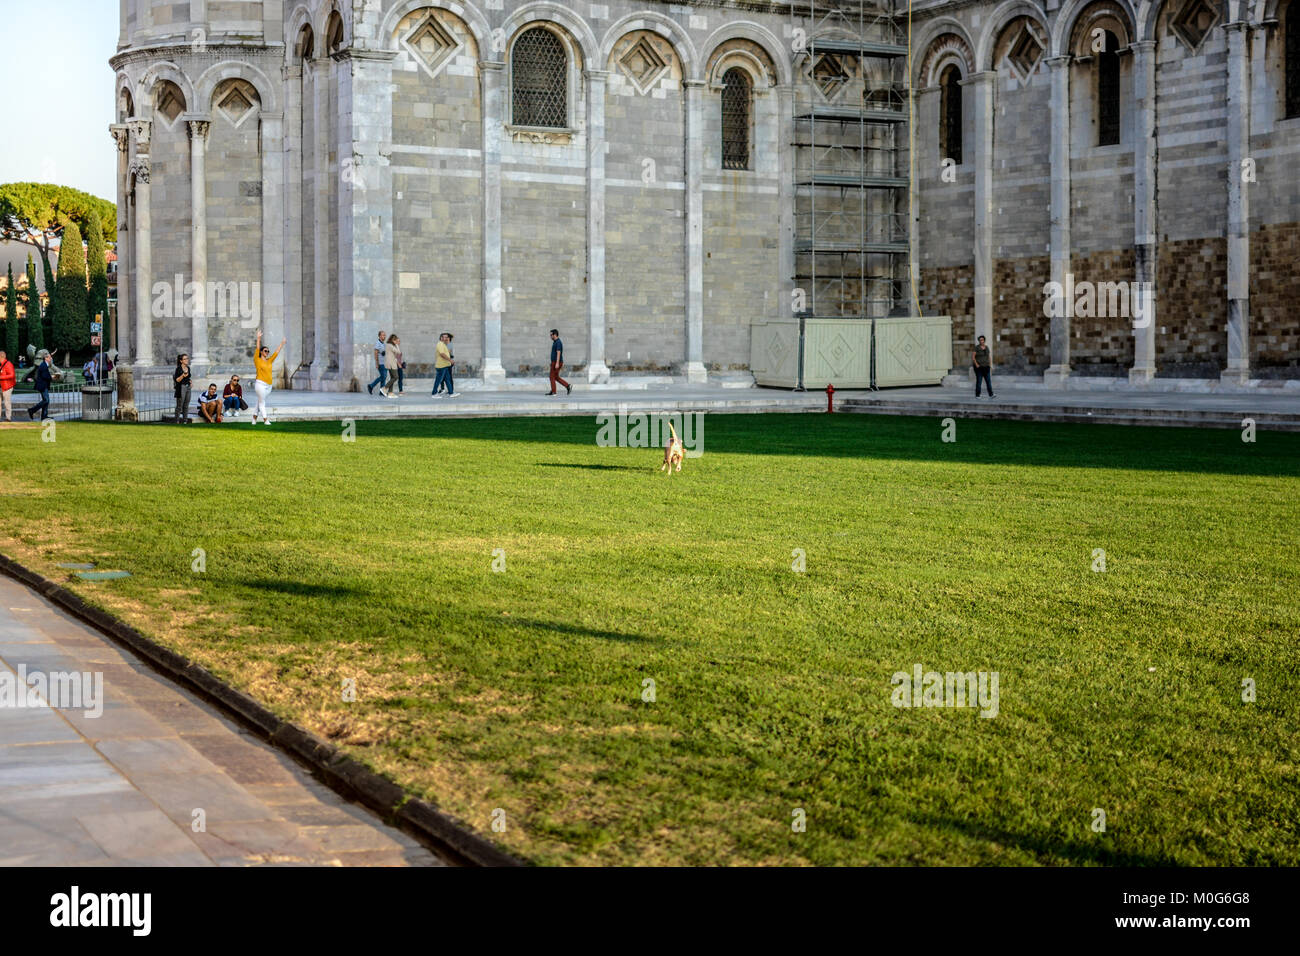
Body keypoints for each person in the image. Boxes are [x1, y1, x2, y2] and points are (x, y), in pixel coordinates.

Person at [252, 329, 285, 424]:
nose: (267, 352)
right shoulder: (257, 360)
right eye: (265, 351)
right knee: (262, 403)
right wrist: (258, 338)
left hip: (269, 386)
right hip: (260, 384)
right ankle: (265, 420)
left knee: (259, 401)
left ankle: (254, 418)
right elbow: (257, 348)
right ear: (261, 352)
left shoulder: (269, 360)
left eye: (268, 351)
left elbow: (276, 352)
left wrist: (282, 343)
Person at [26, 352, 52, 421]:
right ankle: (32, 410)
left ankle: (44, 416)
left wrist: (50, 377)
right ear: (46, 358)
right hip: (42, 385)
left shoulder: (44, 365)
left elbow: (45, 375)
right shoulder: (43, 365)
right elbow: (44, 376)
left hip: (44, 385)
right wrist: (52, 377)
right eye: (49, 357)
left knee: (46, 400)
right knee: (46, 400)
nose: (51, 358)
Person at [546, 328, 571, 396]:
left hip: (556, 362)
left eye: (551, 335)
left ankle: (554, 392)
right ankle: (567, 386)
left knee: (551, 377)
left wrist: (556, 363)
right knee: (555, 377)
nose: (550, 336)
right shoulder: (555, 342)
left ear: (555, 335)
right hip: (554, 362)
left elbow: (558, 352)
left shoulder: (558, 342)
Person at [432, 332, 456, 397]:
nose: (445, 338)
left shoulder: (443, 344)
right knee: (438, 380)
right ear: (441, 338)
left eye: (446, 337)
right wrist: (450, 360)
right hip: (441, 366)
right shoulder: (440, 344)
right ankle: (434, 393)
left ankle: (451, 393)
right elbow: (442, 354)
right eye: (444, 337)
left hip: (445, 365)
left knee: (447, 379)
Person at [173, 353, 192, 424]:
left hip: (188, 387)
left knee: (186, 405)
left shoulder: (188, 368)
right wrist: (183, 375)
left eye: (187, 358)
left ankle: (185, 421)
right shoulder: (178, 369)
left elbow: (188, 377)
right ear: (181, 361)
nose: (187, 360)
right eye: (185, 359)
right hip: (181, 388)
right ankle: (177, 420)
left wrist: (190, 382)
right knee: (179, 405)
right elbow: (177, 380)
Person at [367, 331, 387, 395]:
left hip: (385, 363)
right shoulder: (378, 343)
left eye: (385, 335)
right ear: (379, 336)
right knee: (383, 376)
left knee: (383, 377)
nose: (384, 336)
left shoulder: (383, 344)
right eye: (383, 335)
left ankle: (381, 392)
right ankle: (371, 386)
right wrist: (377, 363)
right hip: (380, 363)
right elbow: (375, 353)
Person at [383, 333, 402, 398]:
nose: (396, 341)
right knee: (396, 377)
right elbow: (399, 352)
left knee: (392, 378)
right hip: (391, 364)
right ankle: (384, 388)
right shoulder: (390, 345)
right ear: (392, 340)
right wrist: (397, 345)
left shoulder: (389, 345)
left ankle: (390, 393)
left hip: (391, 363)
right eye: (395, 340)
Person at [0, 350, 14, 422]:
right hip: (2, 386)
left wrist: (1, 377)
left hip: (7, 387)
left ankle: (8, 418)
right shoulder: (2, 364)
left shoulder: (8, 364)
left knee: (7, 403)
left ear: (1, 357)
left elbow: (12, 375)